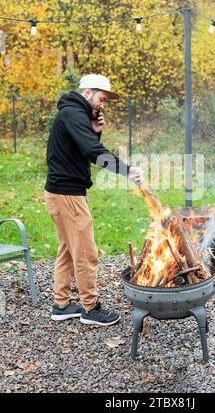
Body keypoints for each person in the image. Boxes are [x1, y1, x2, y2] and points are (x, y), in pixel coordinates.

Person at [44, 74, 143, 326]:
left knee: (67, 249)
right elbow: (91, 151)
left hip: (60, 193)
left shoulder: (73, 114)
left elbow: (82, 148)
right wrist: (127, 170)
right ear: (88, 93)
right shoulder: (74, 114)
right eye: (101, 98)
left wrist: (95, 132)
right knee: (87, 253)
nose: (102, 105)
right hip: (68, 195)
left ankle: (61, 304)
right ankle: (90, 308)